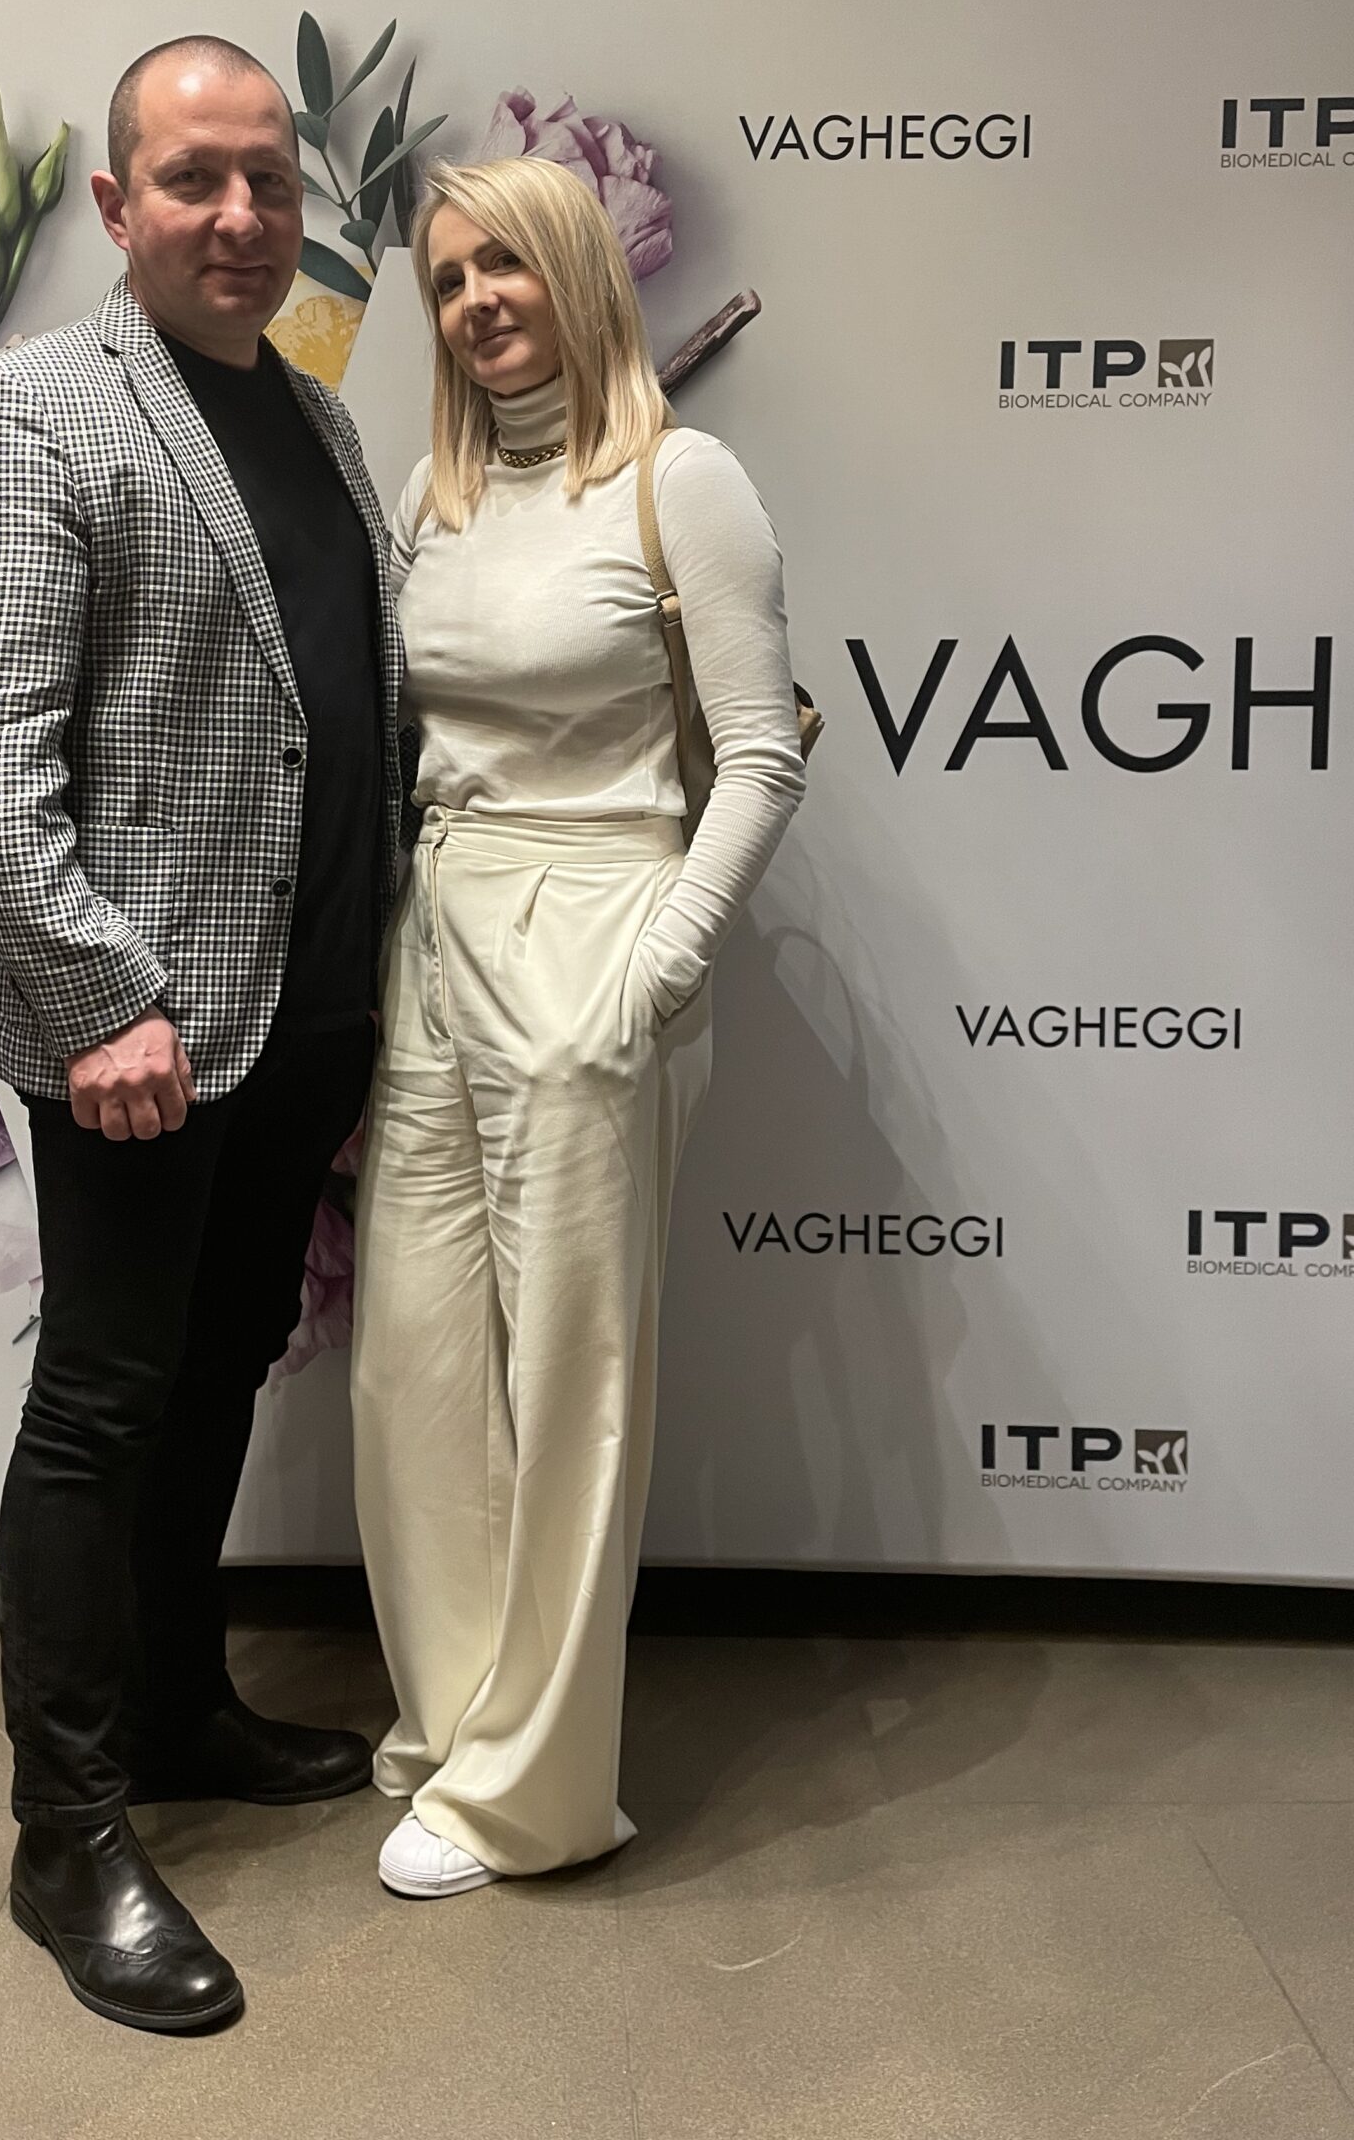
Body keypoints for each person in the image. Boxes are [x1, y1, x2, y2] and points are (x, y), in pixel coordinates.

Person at [0, 35, 403, 2032]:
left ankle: (183, 1702)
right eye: (196, 177)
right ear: (117, 204)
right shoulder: (28, 411)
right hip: (141, 1035)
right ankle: (69, 1828)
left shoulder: (317, 417)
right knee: (105, 1407)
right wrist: (100, 995)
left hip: (305, 1014)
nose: (242, 214)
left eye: (271, 177)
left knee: (217, 1373)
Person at [351, 156, 805, 1898]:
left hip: (598, 922)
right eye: (448, 279)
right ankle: (454, 1729)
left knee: (570, 1383)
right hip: (436, 928)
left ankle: (536, 1797)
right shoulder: (435, 489)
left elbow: (758, 759)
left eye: (507, 265)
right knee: (414, 1368)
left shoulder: (685, 482)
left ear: (577, 272)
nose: (477, 302)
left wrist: (659, 970)